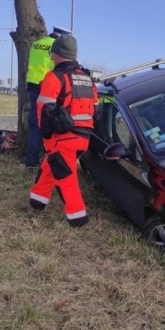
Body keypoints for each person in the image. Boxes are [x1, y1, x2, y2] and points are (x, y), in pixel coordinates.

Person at [27, 34, 97, 227]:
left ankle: (78, 219)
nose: (51, 58)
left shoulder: (54, 77)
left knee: (66, 178)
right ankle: (36, 203)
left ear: (57, 54)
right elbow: (96, 109)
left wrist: (47, 136)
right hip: (83, 137)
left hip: (63, 138)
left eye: (52, 54)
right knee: (49, 168)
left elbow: (44, 110)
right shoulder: (87, 79)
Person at [25, 25, 71, 168]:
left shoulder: (37, 44)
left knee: (35, 123)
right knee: (53, 122)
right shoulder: (56, 48)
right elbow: (59, 68)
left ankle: (30, 161)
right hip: (49, 87)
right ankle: (50, 160)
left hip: (33, 87)